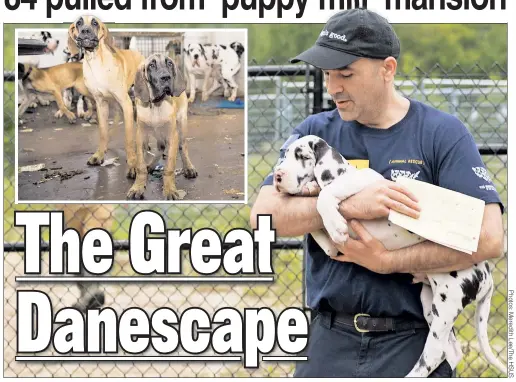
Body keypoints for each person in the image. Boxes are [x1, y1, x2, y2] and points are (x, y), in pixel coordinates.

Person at [249, 8, 505, 378]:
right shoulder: (315, 131)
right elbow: (264, 216)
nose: (333, 86)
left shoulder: (442, 133)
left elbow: (489, 237)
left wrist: (387, 262)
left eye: (346, 73)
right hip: (328, 338)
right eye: (328, 74)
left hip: (411, 340)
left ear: (387, 69)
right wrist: (353, 205)